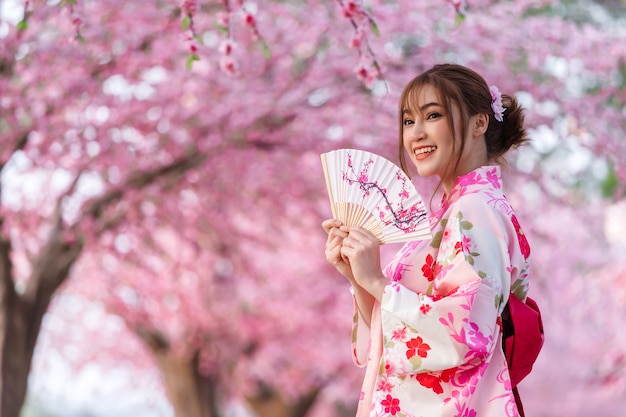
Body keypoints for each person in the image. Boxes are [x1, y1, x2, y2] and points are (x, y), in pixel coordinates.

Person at [322, 63, 532, 417]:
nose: (415, 134)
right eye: (407, 121)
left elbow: (467, 333)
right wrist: (360, 281)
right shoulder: (456, 212)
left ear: (479, 123)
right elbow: (397, 329)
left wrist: (377, 280)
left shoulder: (475, 210)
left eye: (432, 115)